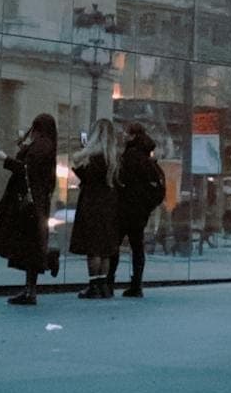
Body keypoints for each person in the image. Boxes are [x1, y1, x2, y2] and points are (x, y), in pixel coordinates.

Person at [0, 114, 58, 305]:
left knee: (29, 245)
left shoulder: (42, 145)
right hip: (35, 202)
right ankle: (31, 286)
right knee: (30, 245)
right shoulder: (46, 144)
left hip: (29, 204)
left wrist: (6, 159)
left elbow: (28, 170)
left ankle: (33, 285)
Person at [68, 118, 121, 299]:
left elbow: (89, 179)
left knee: (93, 248)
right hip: (109, 205)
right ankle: (103, 286)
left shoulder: (95, 156)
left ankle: (93, 285)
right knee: (105, 249)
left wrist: (78, 168)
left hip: (93, 204)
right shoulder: (114, 158)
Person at [111, 122, 165, 297]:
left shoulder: (131, 155)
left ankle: (109, 280)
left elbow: (122, 180)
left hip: (126, 207)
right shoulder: (147, 155)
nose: (125, 136)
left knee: (115, 245)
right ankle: (137, 284)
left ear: (133, 135)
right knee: (137, 247)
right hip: (140, 211)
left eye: (128, 134)